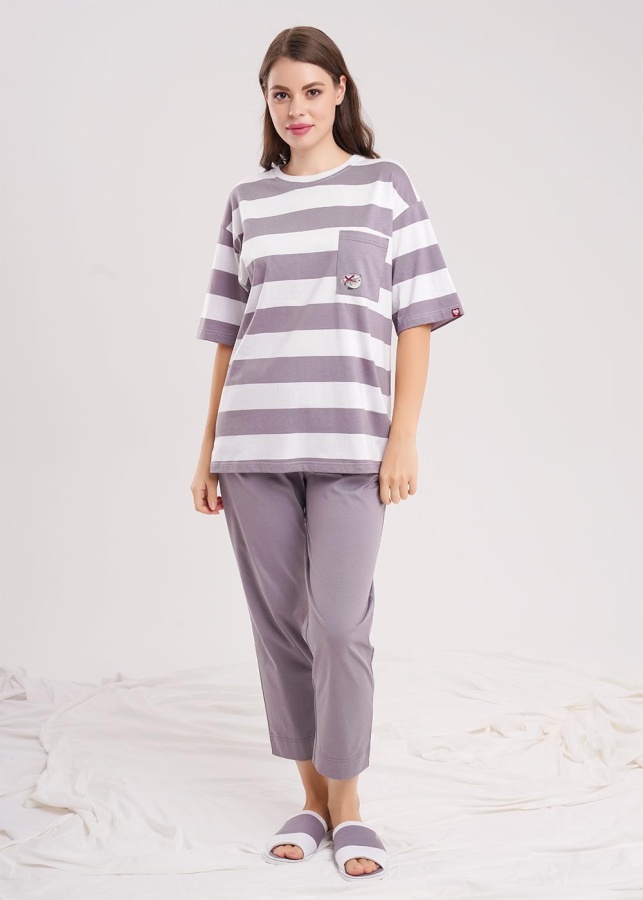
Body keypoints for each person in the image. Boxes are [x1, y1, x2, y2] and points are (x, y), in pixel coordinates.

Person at [190, 25, 465, 882]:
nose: (296, 108)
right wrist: (205, 451)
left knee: (339, 626)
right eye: (281, 93)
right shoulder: (247, 200)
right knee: (282, 629)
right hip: (252, 444)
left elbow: (416, 319)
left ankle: (350, 807)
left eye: (311, 90)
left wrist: (402, 435)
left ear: (340, 90)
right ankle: (311, 800)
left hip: (352, 444)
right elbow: (227, 335)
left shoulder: (385, 187)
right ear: (266, 103)